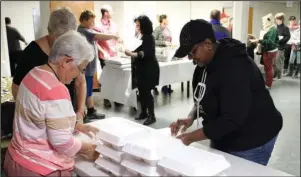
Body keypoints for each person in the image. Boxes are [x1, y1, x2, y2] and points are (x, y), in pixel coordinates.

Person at [169, 19, 283, 166]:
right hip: (225, 133)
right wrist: (191, 117)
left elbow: (232, 119)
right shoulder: (204, 65)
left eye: (193, 52)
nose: (192, 59)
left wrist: (190, 137)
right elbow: (203, 97)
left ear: (208, 44)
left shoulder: (235, 67)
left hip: (253, 136)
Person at [4, 30, 100, 177]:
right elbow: (62, 143)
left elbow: (40, 118)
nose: (79, 75)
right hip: (40, 168)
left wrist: (77, 125)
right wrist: (87, 149)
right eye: (81, 69)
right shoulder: (56, 90)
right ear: (66, 62)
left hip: (16, 159)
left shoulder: (33, 74)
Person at [12, 7, 87, 124]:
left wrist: (80, 110)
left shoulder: (75, 49)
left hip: (66, 114)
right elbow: (17, 89)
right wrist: (33, 118)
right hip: (40, 120)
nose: (63, 44)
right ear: (49, 31)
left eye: (68, 38)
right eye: (59, 38)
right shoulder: (30, 54)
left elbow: (80, 82)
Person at [77, 9, 120, 122]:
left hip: (89, 67)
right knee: (87, 91)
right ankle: (87, 112)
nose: (93, 24)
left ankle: (90, 111)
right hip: (86, 68)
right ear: (84, 21)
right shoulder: (84, 31)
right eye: (91, 21)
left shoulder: (85, 29)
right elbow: (98, 36)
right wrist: (113, 36)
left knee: (89, 90)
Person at [125, 15, 160, 126]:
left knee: (146, 92)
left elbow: (145, 53)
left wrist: (131, 53)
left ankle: (152, 115)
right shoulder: (141, 36)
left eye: (138, 25)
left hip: (149, 69)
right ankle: (144, 112)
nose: (137, 27)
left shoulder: (148, 37)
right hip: (141, 68)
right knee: (141, 91)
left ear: (143, 26)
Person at [93, 5, 118, 108]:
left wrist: (119, 45)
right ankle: (107, 98)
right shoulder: (98, 26)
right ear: (106, 13)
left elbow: (116, 38)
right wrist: (103, 51)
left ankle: (117, 97)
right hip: (104, 56)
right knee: (106, 77)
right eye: (111, 11)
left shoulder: (114, 25)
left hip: (115, 55)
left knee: (116, 77)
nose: (113, 13)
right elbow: (95, 42)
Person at [250, 13, 279, 90]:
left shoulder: (272, 30)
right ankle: (268, 82)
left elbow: (270, 41)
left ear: (268, 21)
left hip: (270, 51)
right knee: (268, 67)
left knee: (268, 68)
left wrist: (258, 40)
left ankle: (268, 84)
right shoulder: (271, 29)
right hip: (269, 50)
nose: (263, 24)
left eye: (264, 22)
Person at [153, 14, 173, 95]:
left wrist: (170, 43)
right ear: (162, 21)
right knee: (157, 71)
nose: (167, 22)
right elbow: (153, 41)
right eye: (165, 21)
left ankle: (165, 87)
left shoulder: (167, 29)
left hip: (166, 51)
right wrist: (163, 42)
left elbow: (169, 38)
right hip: (159, 53)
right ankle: (154, 87)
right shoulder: (157, 29)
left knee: (166, 70)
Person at [274, 13, 290, 80]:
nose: (277, 21)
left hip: (280, 47)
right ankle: (274, 75)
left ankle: (279, 75)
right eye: (276, 19)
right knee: (274, 62)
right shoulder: (275, 27)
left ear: (282, 20)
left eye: (278, 19)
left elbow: (288, 37)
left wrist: (280, 40)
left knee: (278, 62)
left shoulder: (285, 28)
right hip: (274, 47)